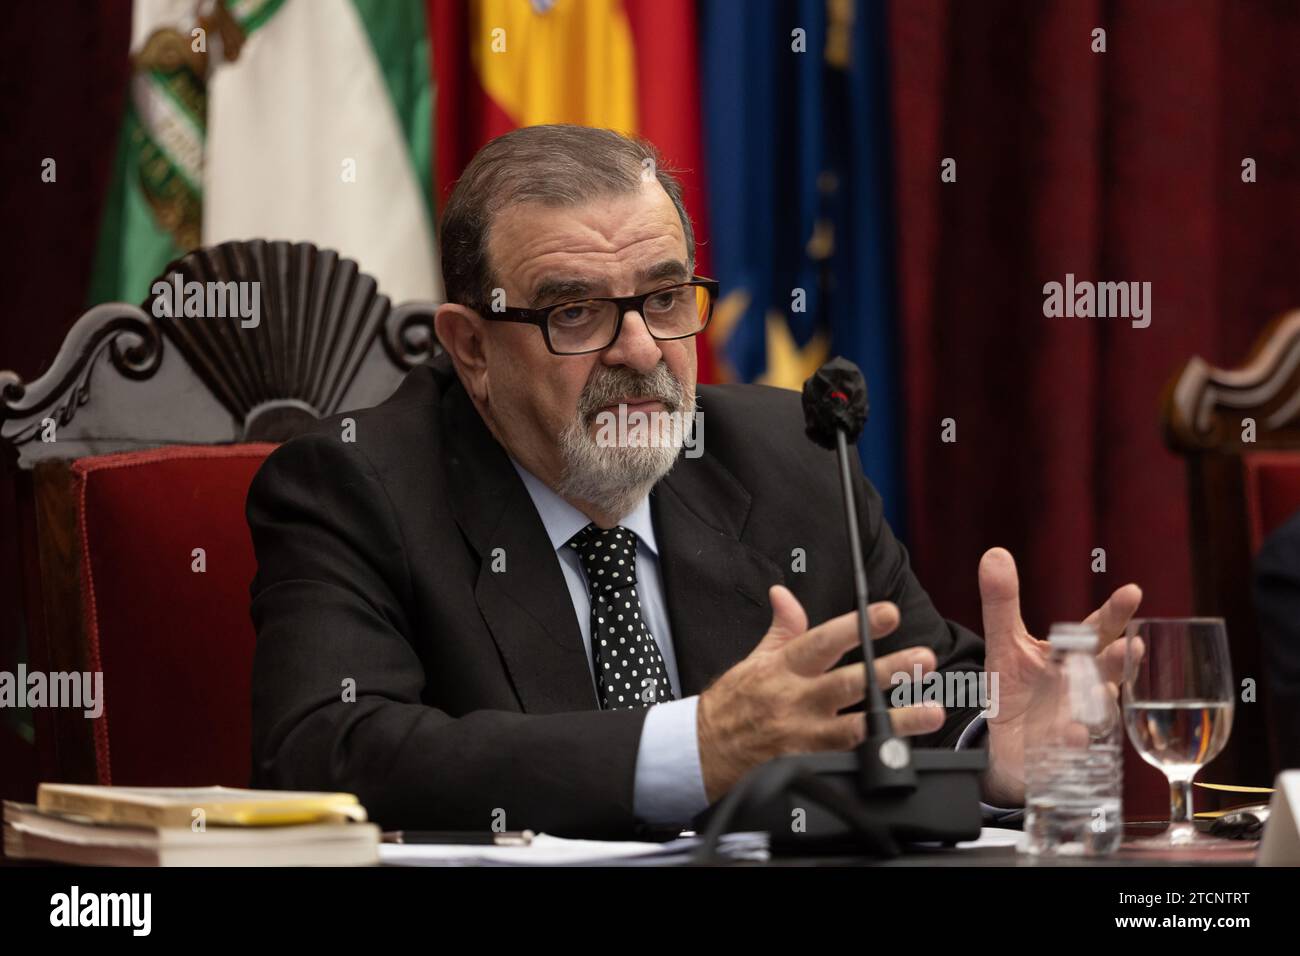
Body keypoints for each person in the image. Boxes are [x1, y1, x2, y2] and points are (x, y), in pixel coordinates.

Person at [246, 124, 1143, 838]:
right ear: (471, 346)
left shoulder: (788, 452)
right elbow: (328, 751)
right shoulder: (355, 485)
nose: (641, 352)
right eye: (576, 312)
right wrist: (693, 748)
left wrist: (992, 744)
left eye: (666, 298)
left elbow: (905, 691)